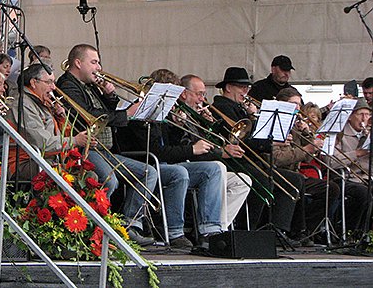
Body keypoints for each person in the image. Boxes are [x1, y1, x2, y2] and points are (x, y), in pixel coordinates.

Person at [57, 44, 179, 247]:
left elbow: (106, 111)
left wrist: (109, 96)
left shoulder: (89, 85)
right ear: (78, 63)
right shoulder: (68, 85)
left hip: (104, 150)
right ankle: (95, 229)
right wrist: (128, 114)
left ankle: (130, 225)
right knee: (109, 180)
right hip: (86, 148)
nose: (99, 67)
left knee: (148, 172)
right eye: (94, 62)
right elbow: (94, 116)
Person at [116, 69, 243, 248]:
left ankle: (209, 229)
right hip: (147, 162)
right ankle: (175, 231)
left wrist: (179, 126)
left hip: (165, 163)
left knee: (213, 169)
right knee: (178, 172)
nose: (175, 101)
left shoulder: (167, 113)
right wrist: (191, 149)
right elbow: (157, 152)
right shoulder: (142, 113)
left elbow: (171, 146)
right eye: (171, 95)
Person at [212, 67, 304, 240]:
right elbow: (240, 140)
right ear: (228, 87)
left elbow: (253, 135)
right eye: (242, 87)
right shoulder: (222, 107)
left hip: (250, 159)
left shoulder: (239, 107)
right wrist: (270, 142)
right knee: (262, 182)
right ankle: (249, 231)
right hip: (235, 160)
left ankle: (280, 230)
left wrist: (254, 117)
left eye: (247, 87)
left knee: (293, 180)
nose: (246, 91)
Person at [177, 73, 252, 232]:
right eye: (199, 94)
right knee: (218, 168)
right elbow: (191, 146)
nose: (202, 100)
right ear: (184, 93)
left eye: (204, 94)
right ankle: (209, 228)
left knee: (243, 180)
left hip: (204, 164)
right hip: (188, 164)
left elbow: (210, 143)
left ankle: (220, 227)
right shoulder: (179, 114)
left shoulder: (196, 115)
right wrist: (220, 153)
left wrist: (210, 126)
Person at [273, 88, 340, 244]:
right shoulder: (275, 124)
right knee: (297, 181)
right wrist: (307, 149)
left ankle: (307, 229)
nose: (298, 109)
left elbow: (309, 158)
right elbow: (278, 158)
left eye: (299, 104)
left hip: (296, 174)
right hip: (281, 172)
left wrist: (307, 134)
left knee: (331, 188)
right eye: (293, 104)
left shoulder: (295, 126)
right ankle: (295, 230)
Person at [333, 98, 371, 231]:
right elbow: (331, 162)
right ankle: (354, 231)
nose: (364, 118)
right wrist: (357, 153)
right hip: (346, 178)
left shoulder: (369, 134)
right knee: (364, 194)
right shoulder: (340, 134)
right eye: (361, 114)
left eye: (367, 115)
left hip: (367, 178)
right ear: (350, 117)